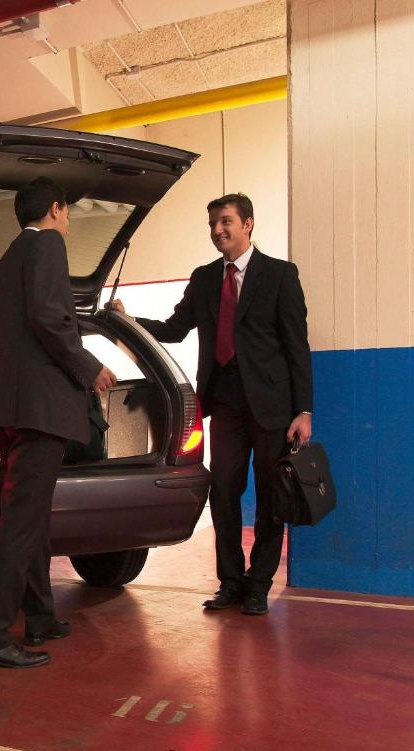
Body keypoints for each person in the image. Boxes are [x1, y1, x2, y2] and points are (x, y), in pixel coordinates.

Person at [109, 193, 312, 616]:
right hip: (224, 403)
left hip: (273, 405)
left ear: (248, 224)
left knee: (273, 498)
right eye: (213, 225)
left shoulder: (279, 274)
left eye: (226, 222)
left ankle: (258, 586)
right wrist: (127, 321)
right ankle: (230, 583)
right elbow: (174, 329)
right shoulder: (204, 279)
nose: (218, 231)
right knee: (222, 491)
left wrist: (304, 410)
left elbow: (297, 348)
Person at [0, 177, 116, 668]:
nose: (69, 220)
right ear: (56, 209)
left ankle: (40, 616)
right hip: (42, 409)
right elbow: (51, 318)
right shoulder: (48, 244)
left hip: (14, 409)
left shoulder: (10, 257)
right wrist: (89, 367)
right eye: (69, 211)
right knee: (20, 524)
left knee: (30, 520)